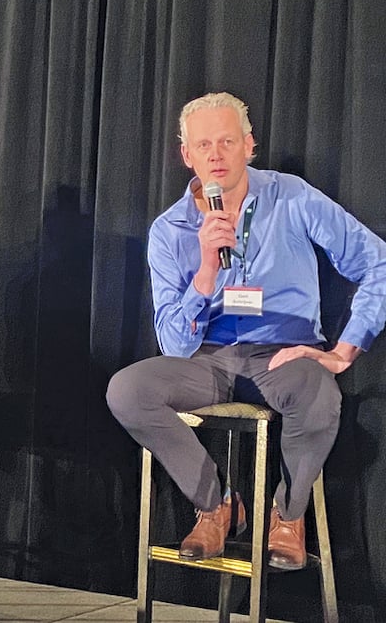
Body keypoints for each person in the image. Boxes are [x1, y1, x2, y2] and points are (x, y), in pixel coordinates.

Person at [107, 92, 386, 569]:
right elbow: (175, 344)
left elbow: (376, 261)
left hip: (284, 351)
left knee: (319, 394)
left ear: (248, 145)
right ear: (186, 154)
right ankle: (215, 506)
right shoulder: (170, 229)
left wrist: (344, 351)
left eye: (227, 141)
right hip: (208, 358)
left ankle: (287, 515)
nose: (215, 155)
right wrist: (205, 276)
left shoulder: (291, 196)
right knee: (127, 390)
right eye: (204, 145)